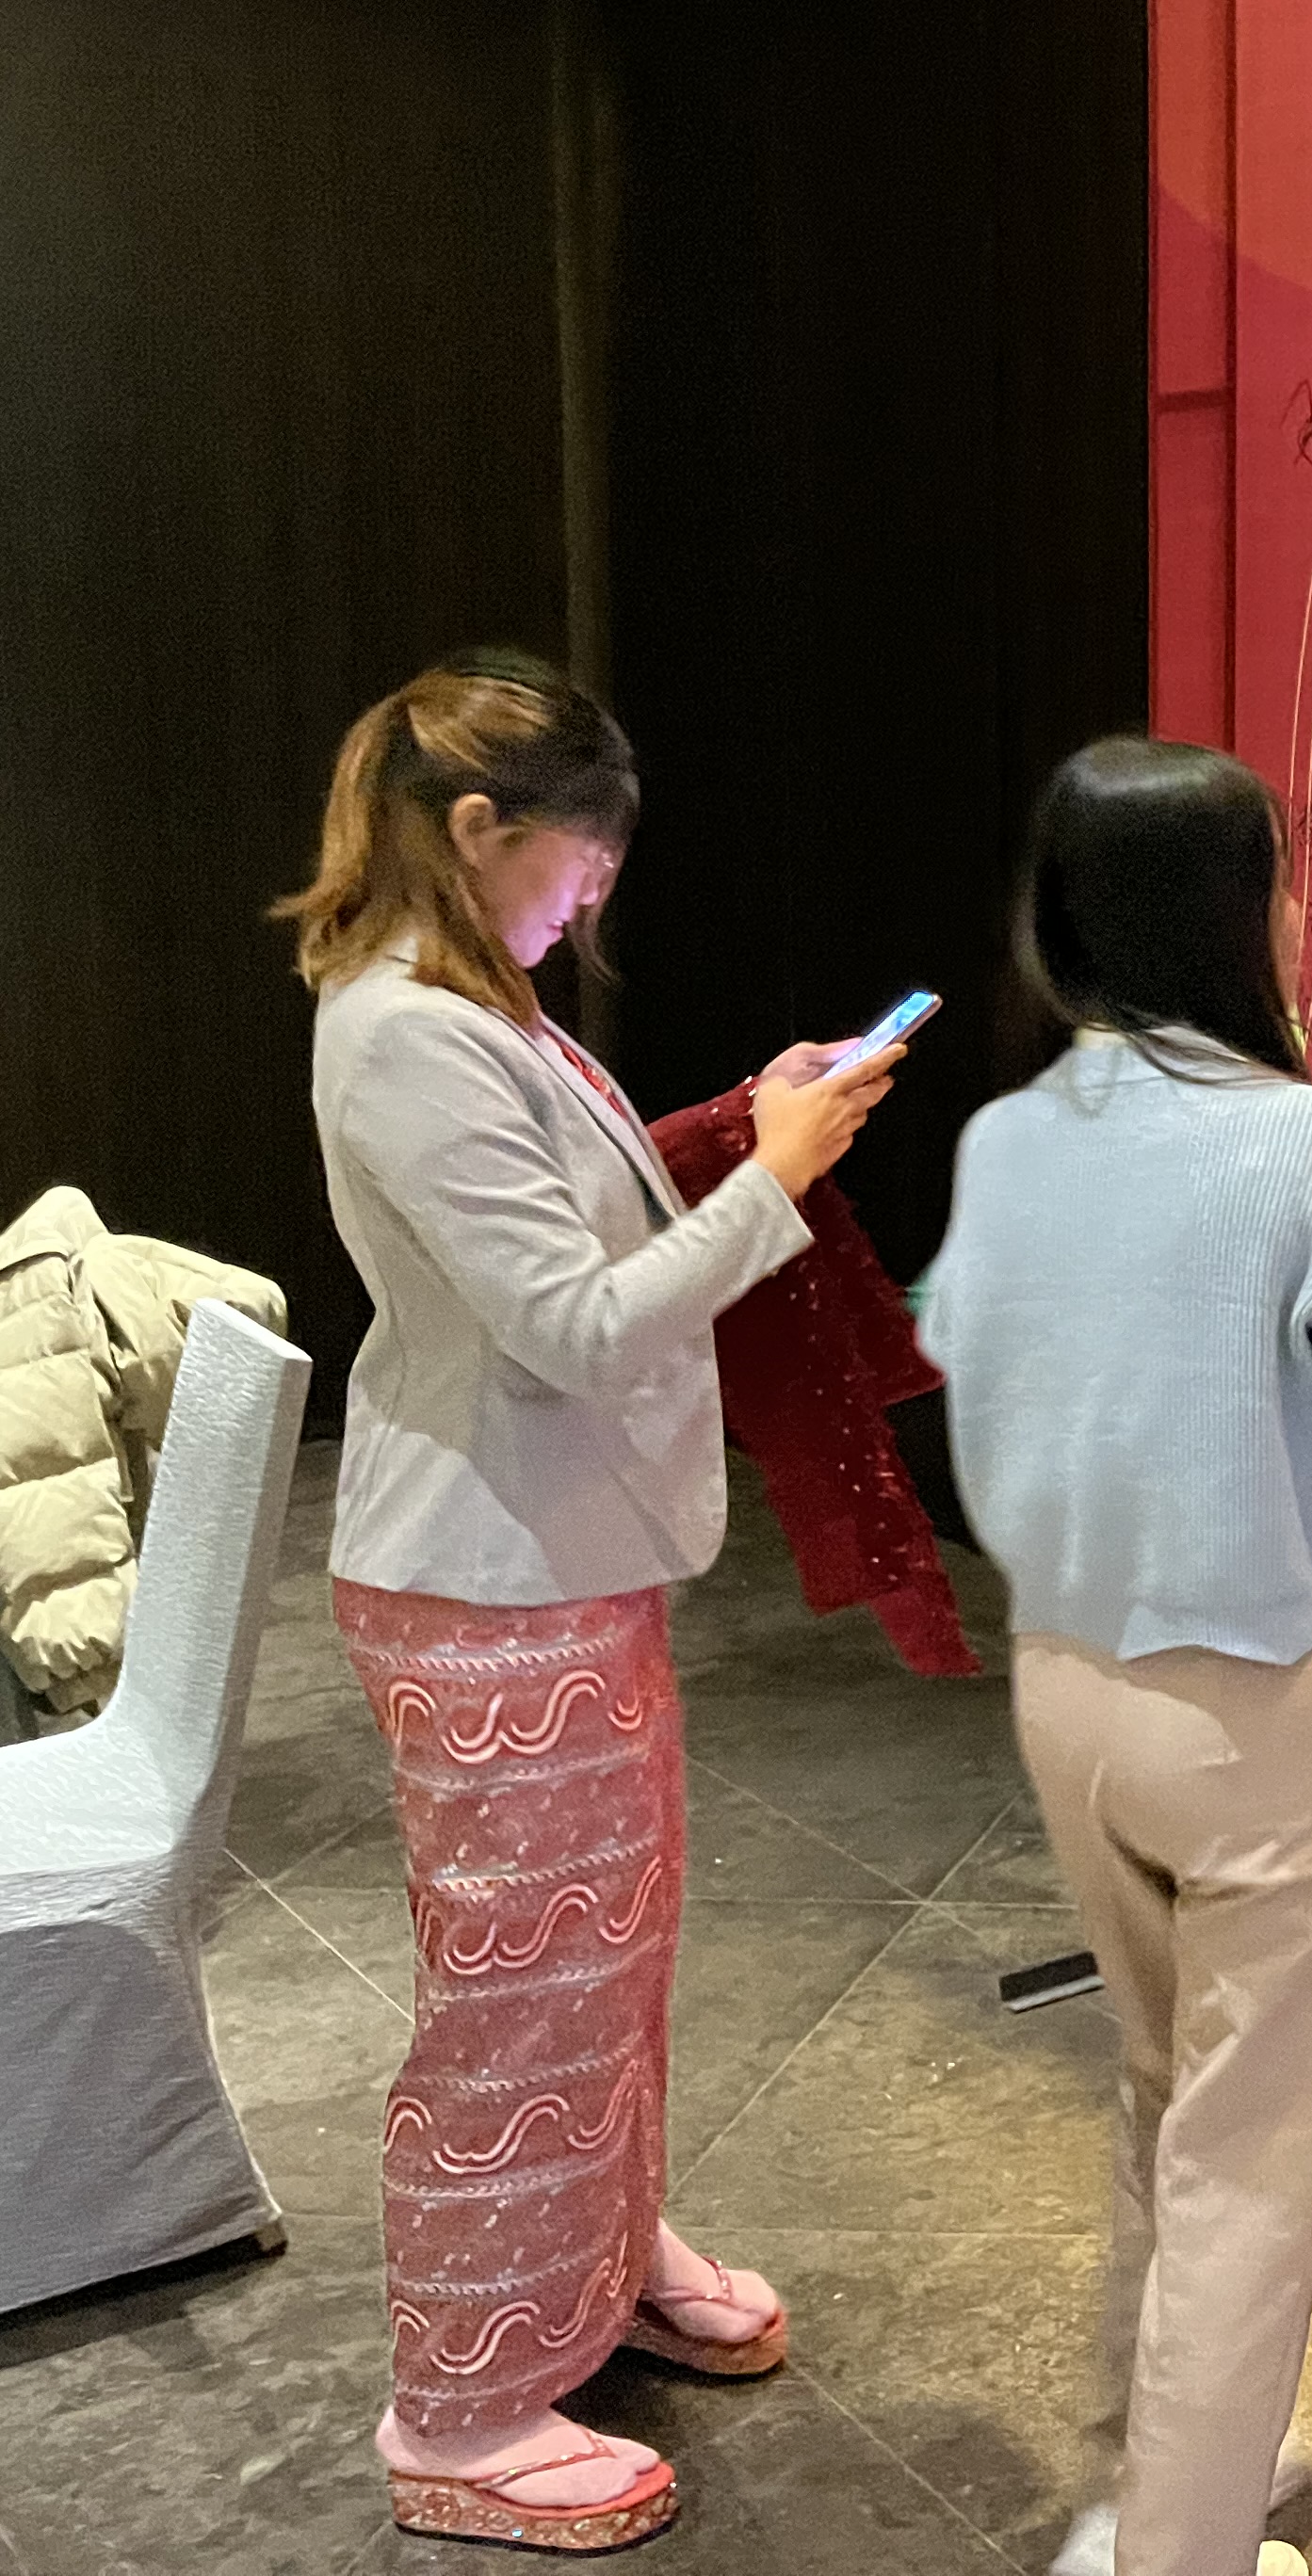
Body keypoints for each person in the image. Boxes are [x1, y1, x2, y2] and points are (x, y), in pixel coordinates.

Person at [284, 649, 899, 2552]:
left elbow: (574, 1225)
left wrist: (735, 1124)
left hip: (548, 1570)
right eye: (583, 860)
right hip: (486, 1584)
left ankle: (593, 2257)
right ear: (479, 829)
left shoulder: (476, 1003)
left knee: (600, 1964)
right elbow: (568, 1324)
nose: (593, 895)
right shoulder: (406, 1029)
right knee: (518, 1998)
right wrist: (774, 1182)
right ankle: (458, 2406)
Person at [916, 737, 1312, 2576]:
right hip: (1268, 1725)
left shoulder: (1010, 1137)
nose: (1306, 910)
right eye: (1286, 877)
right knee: (1249, 2164)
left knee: (1168, 2098)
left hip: (1068, 1688)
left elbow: (986, 1403)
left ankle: (1154, 2492)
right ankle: (1184, 2545)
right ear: (1235, 914)